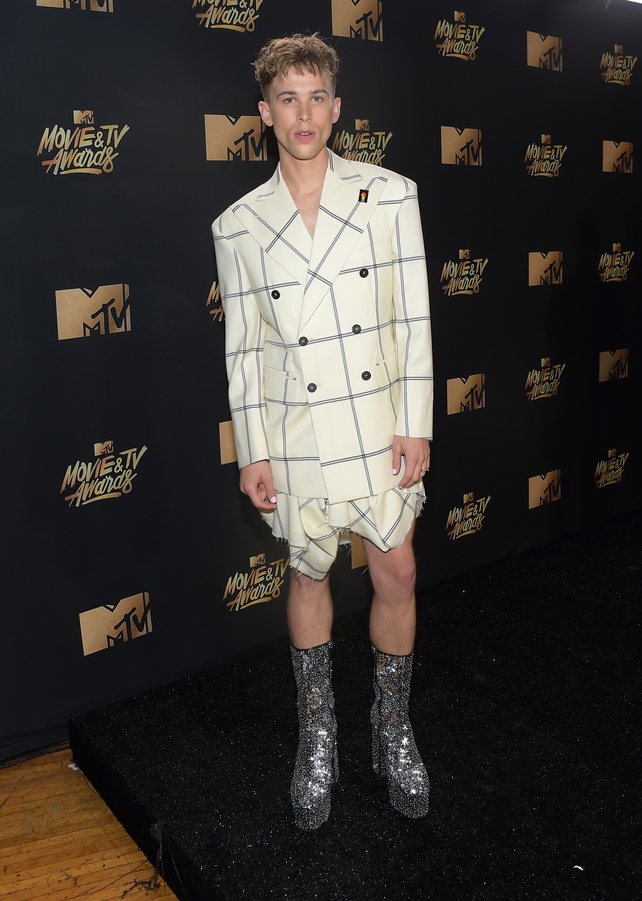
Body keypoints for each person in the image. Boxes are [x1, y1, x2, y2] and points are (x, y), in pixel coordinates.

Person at [212, 33, 433, 831]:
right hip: (297, 424)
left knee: (397, 570)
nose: (303, 114)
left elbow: (412, 318)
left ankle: (392, 724)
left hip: (376, 420)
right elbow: (243, 348)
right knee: (309, 577)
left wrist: (415, 422)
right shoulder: (238, 224)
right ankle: (318, 737)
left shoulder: (390, 194)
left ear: (336, 109)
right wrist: (254, 448)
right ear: (265, 113)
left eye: (316, 98)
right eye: (288, 99)